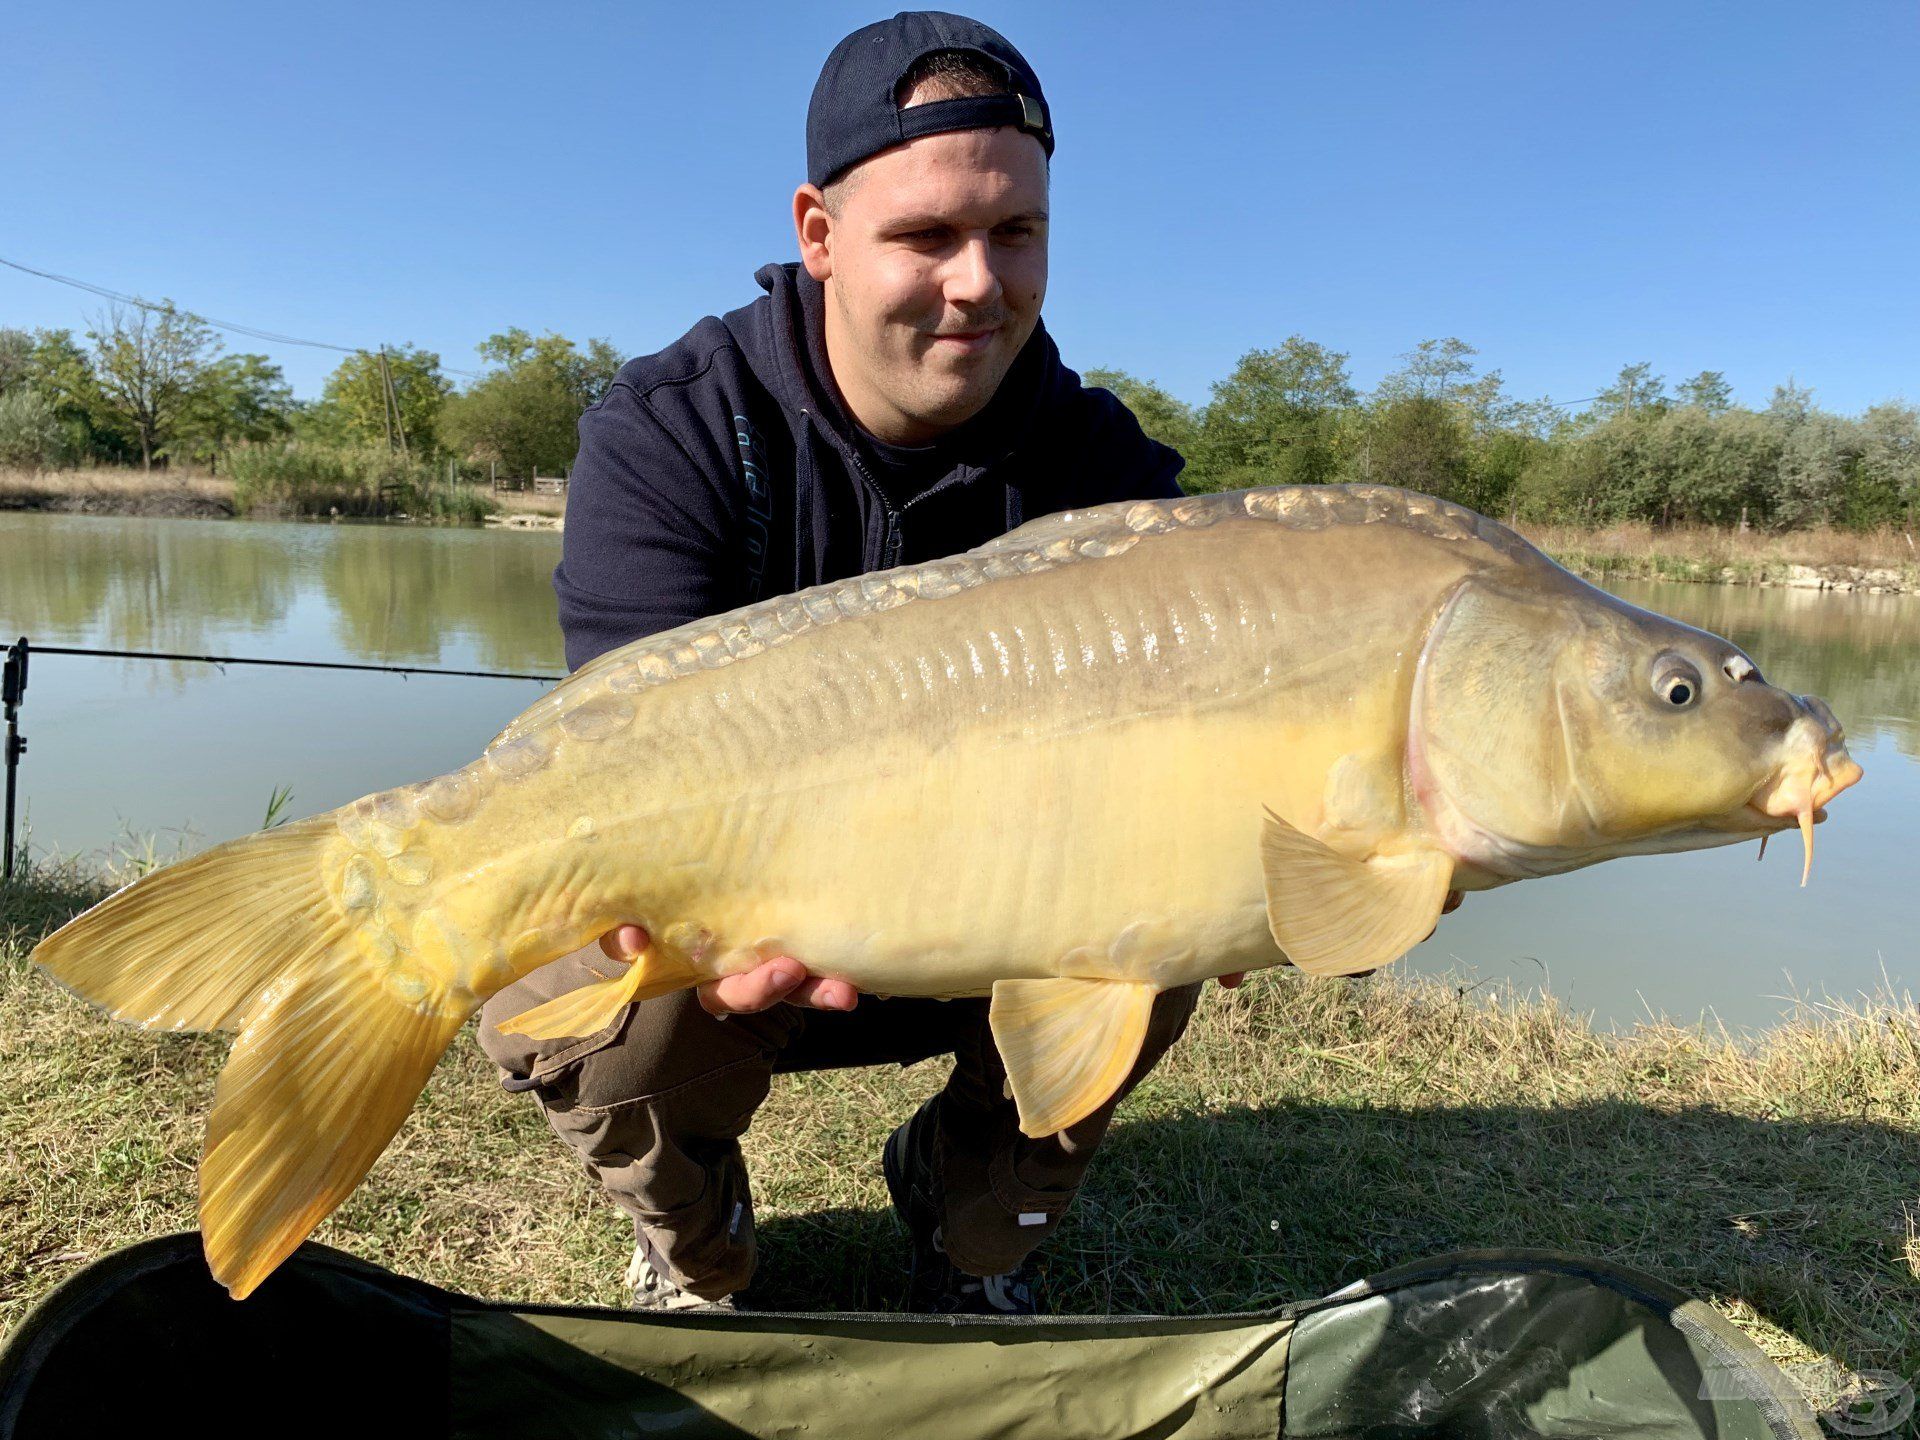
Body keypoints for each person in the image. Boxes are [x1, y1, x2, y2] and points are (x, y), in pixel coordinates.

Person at [477, 11, 1242, 1316]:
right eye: (927, 236)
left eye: (1016, 234)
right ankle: (697, 1258)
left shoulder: (1112, 479)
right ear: (819, 236)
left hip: (1004, 916)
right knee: (587, 978)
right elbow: (631, 768)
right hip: (749, 933)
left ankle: (966, 1216)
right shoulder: (670, 426)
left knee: (1170, 916)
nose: (977, 282)